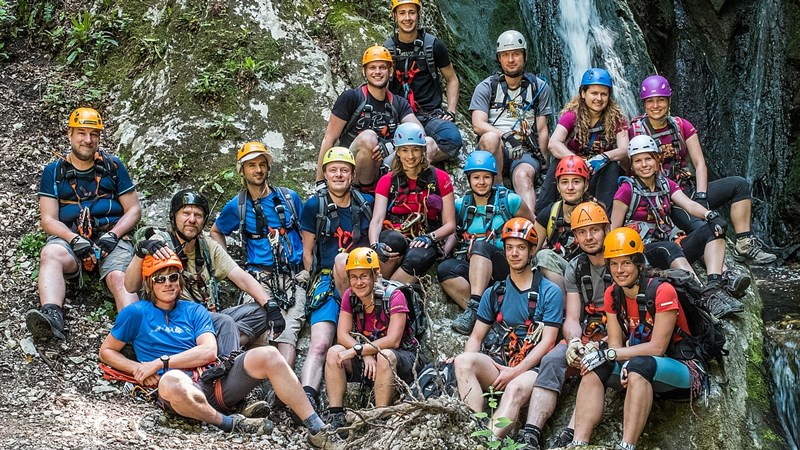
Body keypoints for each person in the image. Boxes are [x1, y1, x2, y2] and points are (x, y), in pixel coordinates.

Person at [99, 254, 342, 449]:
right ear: (149, 284)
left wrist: (160, 362)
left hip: (212, 379)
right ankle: (228, 423)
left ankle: (316, 427)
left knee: (269, 355)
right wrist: (139, 368)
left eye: (173, 277)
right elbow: (107, 351)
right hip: (182, 389)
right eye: (160, 279)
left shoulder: (193, 310)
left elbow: (208, 351)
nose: (168, 283)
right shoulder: (136, 313)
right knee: (171, 382)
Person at [569, 227, 704, 450]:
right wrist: (616, 359)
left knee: (637, 365)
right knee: (595, 365)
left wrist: (617, 357)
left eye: (626, 263)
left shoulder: (662, 291)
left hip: (680, 368)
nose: (619, 270)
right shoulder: (613, 294)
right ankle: (579, 443)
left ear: (639, 264)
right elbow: (615, 343)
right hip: (639, 367)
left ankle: (627, 446)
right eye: (614, 264)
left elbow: (658, 348)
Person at [631, 75, 776, 265]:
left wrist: (701, 195)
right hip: (666, 199)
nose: (656, 105)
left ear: (669, 101)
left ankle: (744, 243)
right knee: (703, 227)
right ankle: (720, 271)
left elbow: (699, 163)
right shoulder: (634, 130)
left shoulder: (682, 126)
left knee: (739, 184)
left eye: (661, 100)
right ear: (644, 104)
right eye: (650, 101)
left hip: (688, 190)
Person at [26, 107, 141, 340]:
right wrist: (74, 239)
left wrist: (114, 235)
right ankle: (51, 316)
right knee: (50, 254)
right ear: (70, 134)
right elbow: (48, 219)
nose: (88, 140)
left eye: (93, 134)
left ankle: (135, 332)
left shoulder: (113, 166)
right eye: (81, 133)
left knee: (119, 276)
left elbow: (134, 209)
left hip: (110, 234)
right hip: (70, 236)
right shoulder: (54, 171)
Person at [124, 189, 281, 357]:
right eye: (186, 213)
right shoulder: (160, 244)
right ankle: (225, 362)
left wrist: (270, 305)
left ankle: (214, 348)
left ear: (204, 220)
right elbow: (131, 286)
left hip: (205, 316)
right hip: (173, 320)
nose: (192, 220)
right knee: (225, 322)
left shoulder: (207, 246)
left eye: (198, 215)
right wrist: (141, 253)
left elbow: (240, 277)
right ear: (174, 216)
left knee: (262, 313)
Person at [610, 135, 745, 319]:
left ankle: (714, 287)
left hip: (669, 249)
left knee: (714, 229)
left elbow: (689, 205)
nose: (644, 164)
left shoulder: (666, 184)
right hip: (642, 253)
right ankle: (702, 296)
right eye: (638, 161)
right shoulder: (626, 191)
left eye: (648, 159)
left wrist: (710, 215)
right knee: (669, 247)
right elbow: (614, 230)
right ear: (632, 165)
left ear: (657, 160)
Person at [454, 218, 563, 439]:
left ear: (532, 250)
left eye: (521, 247)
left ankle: (488, 440)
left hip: (532, 369)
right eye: (509, 247)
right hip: (500, 362)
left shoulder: (550, 292)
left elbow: (548, 341)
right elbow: (476, 337)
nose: (514, 253)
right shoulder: (495, 292)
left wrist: (516, 371)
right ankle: (473, 428)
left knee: (514, 389)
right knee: (463, 361)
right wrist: (469, 359)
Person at [516, 202, 611, 449]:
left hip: (617, 336)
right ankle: (531, 433)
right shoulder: (576, 267)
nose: (589, 237)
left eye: (595, 230)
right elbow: (572, 317)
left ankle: (571, 433)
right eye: (582, 232)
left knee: (594, 364)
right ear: (575, 236)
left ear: (606, 229)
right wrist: (574, 341)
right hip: (590, 330)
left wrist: (600, 346)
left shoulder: (620, 262)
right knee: (552, 359)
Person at [210, 142, 306, 367]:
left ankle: (283, 386)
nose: (258, 170)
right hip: (259, 278)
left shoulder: (289, 198)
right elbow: (216, 231)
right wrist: (229, 265)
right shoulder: (238, 206)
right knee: (255, 329)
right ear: (242, 170)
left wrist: (308, 270)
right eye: (251, 165)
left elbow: (307, 234)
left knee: (288, 333)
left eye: (262, 164)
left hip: (293, 278)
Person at [298, 146, 374, 410]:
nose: (339, 175)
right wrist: (310, 281)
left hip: (362, 282)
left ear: (352, 174)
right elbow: (307, 251)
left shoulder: (366, 203)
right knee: (320, 343)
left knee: (346, 261)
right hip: (327, 281)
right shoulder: (314, 206)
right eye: (333, 170)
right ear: (325, 174)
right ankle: (306, 395)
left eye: (344, 170)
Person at [323, 247, 424, 436]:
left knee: (385, 356)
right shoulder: (350, 296)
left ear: (375, 275)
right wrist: (365, 354)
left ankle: (380, 418)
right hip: (370, 355)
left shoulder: (394, 295)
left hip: (403, 358)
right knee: (334, 352)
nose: (358, 282)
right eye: (354, 277)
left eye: (364, 276)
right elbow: (342, 335)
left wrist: (359, 350)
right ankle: (336, 416)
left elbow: (394, 340)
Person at [438, 150, 534, 335]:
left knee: (481, 246)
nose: (481, 182)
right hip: (475, 267)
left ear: (493, 178)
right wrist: (445, 251)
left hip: (505, 264)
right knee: (445, 270)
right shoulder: (462, 205)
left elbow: (532, 226)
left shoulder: (510, 201)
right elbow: (456, 232)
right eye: (476, 177)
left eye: (486, 177)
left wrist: (529, 256)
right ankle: (483, 316)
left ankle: (475, 308)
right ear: (469, 179)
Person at [316, 45, 435, 193]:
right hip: (352, 165)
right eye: (372, 68)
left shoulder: (398, 103)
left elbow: (419, 133)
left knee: (429, 143)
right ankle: (365, 192)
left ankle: (409, 192)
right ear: (364, 72)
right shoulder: (351, 98)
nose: (377, 72)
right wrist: (320, 181)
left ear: (390, 71)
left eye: (382, 67)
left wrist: (391, 145)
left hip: (385, 165)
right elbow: (329, 138)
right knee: (369, 137)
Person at [470, 30, 555, 213]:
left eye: (516, 54)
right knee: (490, 137)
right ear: (499, 59)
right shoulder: (486, 87)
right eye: (505, 55)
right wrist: (506, 135)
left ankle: (529, 222)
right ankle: (498, 192)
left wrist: (544, 164)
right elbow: (477, 124)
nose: (510, 59)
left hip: (525, 151)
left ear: (524, 56)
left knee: (523, 176)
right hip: (495, 149)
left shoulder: (539, 87)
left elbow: (542, 129)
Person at [369, 122, 456, 283]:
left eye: (415, 149)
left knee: (417, 257)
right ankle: (379, 286)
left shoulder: (440, 178)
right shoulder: (387, 181)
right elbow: (377, 219)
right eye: (405, 150)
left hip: (426, 236)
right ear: (397, 152)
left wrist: (430, 237)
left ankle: (389, 291)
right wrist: (375, 244)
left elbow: (450, 224)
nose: (410, 156)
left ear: (423, 150)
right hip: (395, 232)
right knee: (390, 243)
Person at [542, 68, 629, 214]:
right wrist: (577, 162)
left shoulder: (616, 118)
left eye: (603, 94)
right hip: (573, 171)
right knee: (558, 162)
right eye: (594, 93)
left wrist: (604, 157)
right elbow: (554, 143)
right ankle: (543, 213)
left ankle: (604, 215)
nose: (599, 98)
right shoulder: (572, 115)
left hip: (599, 171)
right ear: (583, 93)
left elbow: (625, 149)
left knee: (612, 166)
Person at [385, 0, 462, 162]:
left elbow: (452, 79)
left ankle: (410, 160)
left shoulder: (433, 45)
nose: (407, 18)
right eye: (402, 13)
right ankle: (415, 161)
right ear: (395, 16)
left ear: (419, 15)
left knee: (452, 140)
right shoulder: (387, 50)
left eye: (412, 12)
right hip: (400, 117)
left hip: (430, 115)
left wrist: (451, 111)